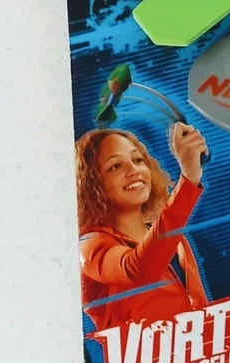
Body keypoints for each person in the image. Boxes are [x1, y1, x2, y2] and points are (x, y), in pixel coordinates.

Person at [76, 123, 208, 333]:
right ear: (91, 184)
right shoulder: (88, 246)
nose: (133, 170)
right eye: (115, 166)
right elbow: (140, 271)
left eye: (138, 160)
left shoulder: (177, 241)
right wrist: (188, 181)